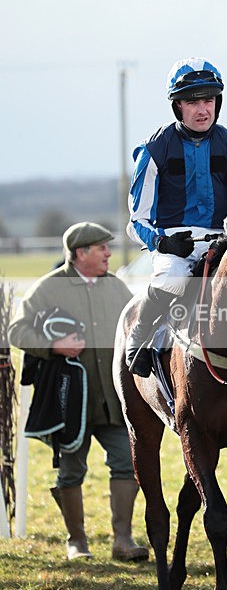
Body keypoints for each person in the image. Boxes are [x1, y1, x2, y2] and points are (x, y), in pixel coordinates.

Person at [9, 222, 148, 562]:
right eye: (102, 248)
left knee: (127, 464)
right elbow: (17, 330)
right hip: (70, 400)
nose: (109, 254)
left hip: (113, 400)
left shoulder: (116, 288)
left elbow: (138, 329)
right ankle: (77, 542)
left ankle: (123, 541)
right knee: (71, 470)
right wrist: (53, 345)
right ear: (80, 253)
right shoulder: (48, 288)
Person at [126, 56, 227, 377]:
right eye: (193, 102)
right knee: (174, 278)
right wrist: (163, 244)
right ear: (177, 107)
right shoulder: (153, 151)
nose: (203, 109)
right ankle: (139, 336)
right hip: (173, 247)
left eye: (209, 100)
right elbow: (136, 221)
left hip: (224, 243)